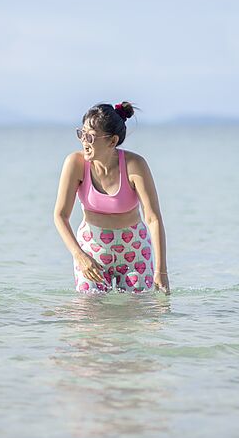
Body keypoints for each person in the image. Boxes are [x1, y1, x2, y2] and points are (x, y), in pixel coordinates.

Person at [54, 102, 169, 294]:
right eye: (81, 133)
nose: (84, 141)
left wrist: (161, 271)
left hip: (134, 249)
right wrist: (79, 256)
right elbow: (60, 215)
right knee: (89, 313)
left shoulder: (135, 165)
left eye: (90, 136)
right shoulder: (75, 163)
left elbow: (153, 218)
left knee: (138, 315)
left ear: (112, 141)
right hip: (92, 249)